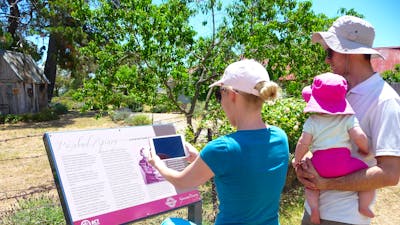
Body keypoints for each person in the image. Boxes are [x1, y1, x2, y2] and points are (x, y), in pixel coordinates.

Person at [148, 59, 290, 225]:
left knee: (169, 223)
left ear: (230, 95)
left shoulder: (222, 149)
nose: (221, 103)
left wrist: (157, 163)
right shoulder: (280, 137)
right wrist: (201, 158)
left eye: (219, 95)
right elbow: (243, 175)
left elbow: (181, 181)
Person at [295, 15, 400, 225]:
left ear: (348, 52)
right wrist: (303, 168)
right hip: (313, 211)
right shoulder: (336, 94)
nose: (327, 59)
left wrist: (326, 183)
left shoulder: (385, 100)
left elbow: (390, 174)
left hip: (344, 219)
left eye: (330, 52)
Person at [293, 73, 374, 224]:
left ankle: (315, 209)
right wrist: (365, 149)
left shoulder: (312, 121)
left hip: (318, 165)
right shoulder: (348, 118)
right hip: (343, 164)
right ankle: (364, 206)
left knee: (311, 185)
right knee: (367, 176)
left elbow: (302, 143)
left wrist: (297, 160)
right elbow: (359, 136)